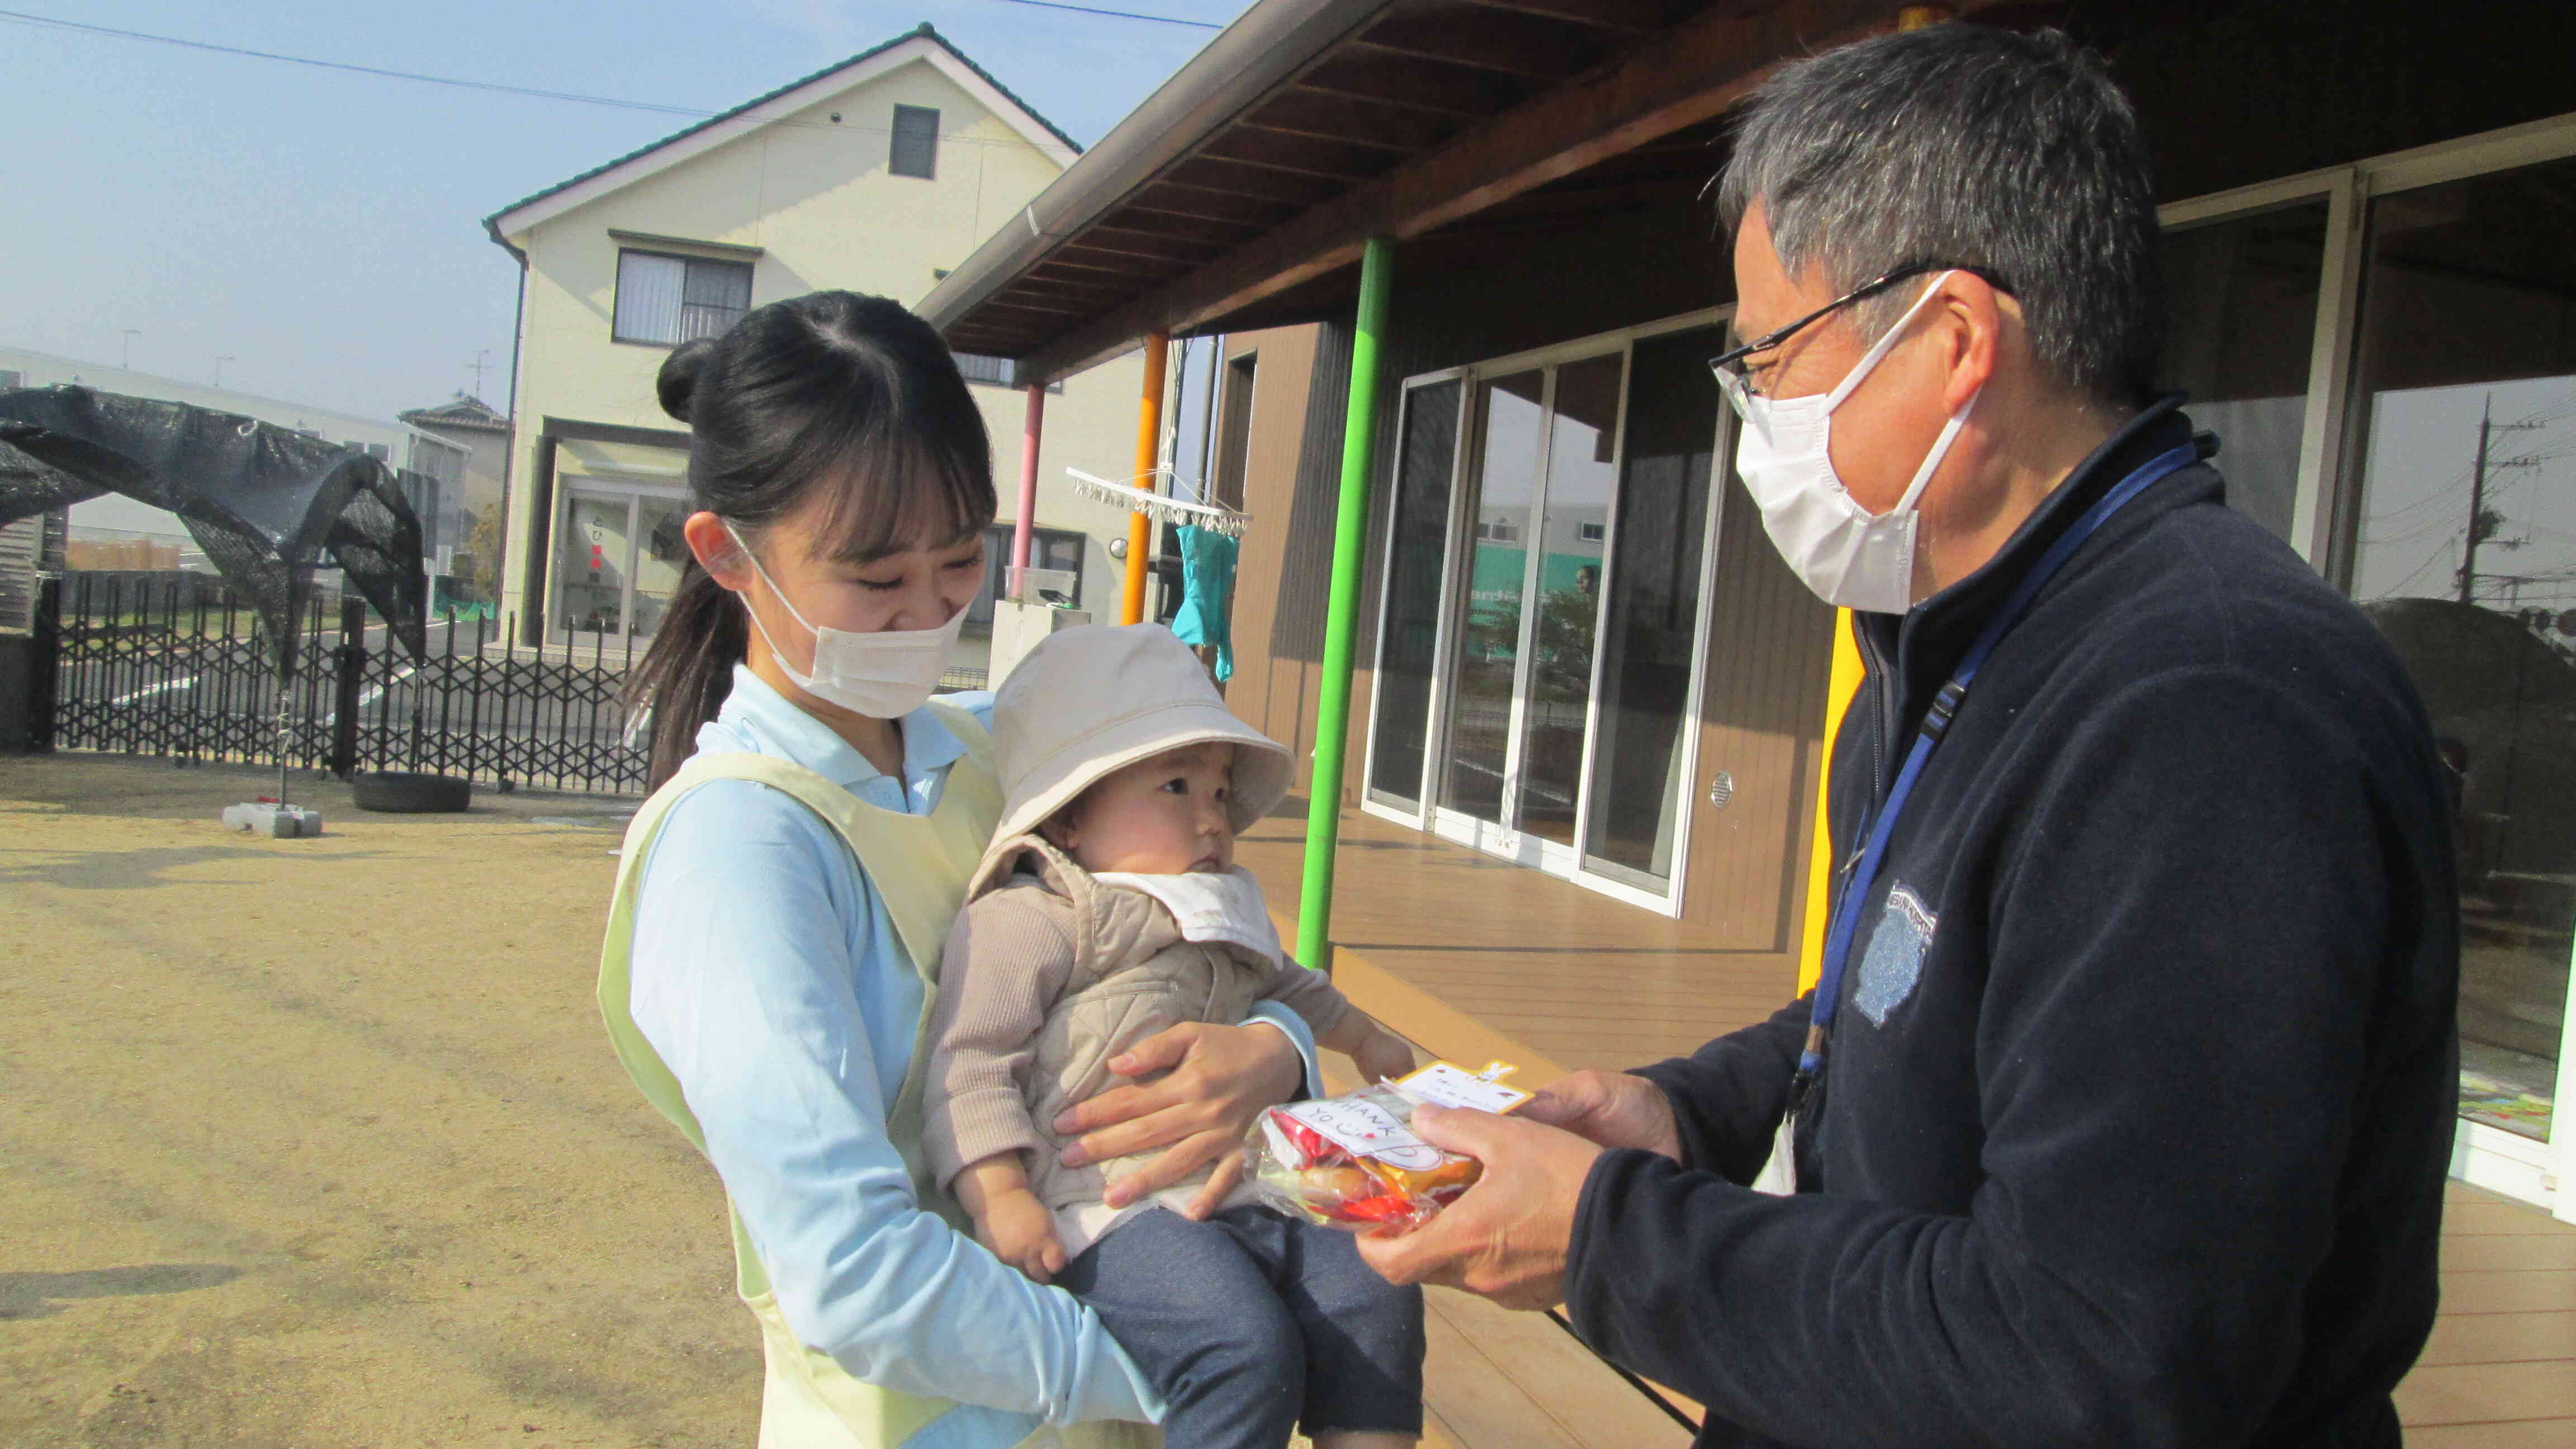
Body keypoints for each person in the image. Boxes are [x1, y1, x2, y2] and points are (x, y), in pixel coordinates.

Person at [1358, 26, 2459, 1448]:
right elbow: (1904, 993)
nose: (1752, 414)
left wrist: (1610, 1238)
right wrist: (1689, 1116)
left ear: (1949, 345)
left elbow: (2102, 1357)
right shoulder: (1951, 640)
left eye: (1771, 355)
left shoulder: (2211, 707)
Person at [593, 291, 1323, 1448]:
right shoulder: (738, 855)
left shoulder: (1010, 756)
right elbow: (854, 1270)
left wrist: (1278, 1054)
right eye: (876, 581)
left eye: (958, 558)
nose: (930, 608)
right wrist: (1203, 1369)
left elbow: (1215, 946)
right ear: (727, 554)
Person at [924, 622, 1424, 1449]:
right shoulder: (1034, 920)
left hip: (1252, 1181)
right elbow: (970, 1063)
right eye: (1175, 789)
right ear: (1071, 818)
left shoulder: (1226, 903)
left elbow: (1286, 981)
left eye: (1220, 793)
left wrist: (1363, 1035)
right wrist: (1000, 1194)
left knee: (1379, 1281)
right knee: (1240, 1342)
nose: (1210, 822)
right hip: (1110, 1208)